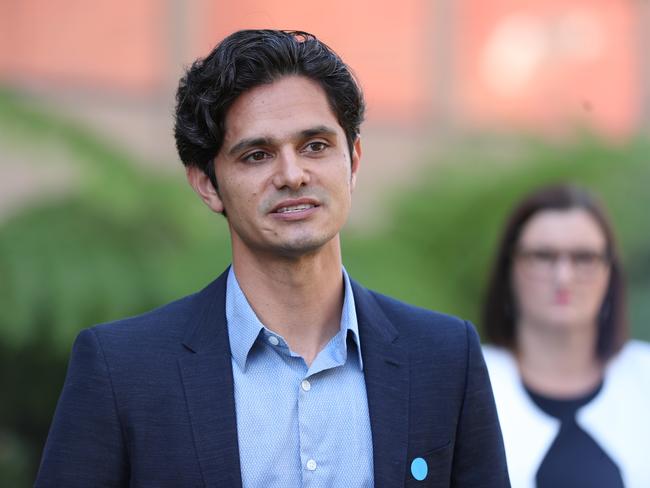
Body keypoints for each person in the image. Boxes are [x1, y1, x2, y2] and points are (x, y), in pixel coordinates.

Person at [35, 29, 508, 487]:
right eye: (257, 155)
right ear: (206, 183)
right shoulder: (124, 369)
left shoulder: (445, 357)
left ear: (354, 160)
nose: (293, 174)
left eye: (316, 146)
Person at [481, 184, 650, 488]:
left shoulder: (645, 376)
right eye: (542, 256)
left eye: (583, 257)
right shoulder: (470, 379)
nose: (563, 277)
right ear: (509, 269)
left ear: (610, 272)